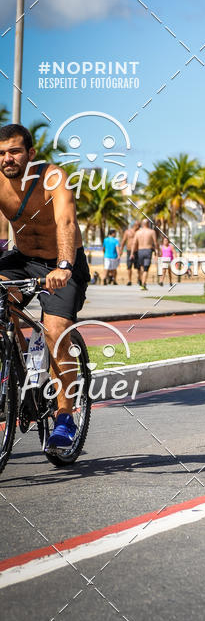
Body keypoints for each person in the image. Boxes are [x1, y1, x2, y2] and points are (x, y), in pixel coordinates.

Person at [0, 124, 91, 450]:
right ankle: (19, 360)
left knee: (55, 331)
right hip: (23, 259)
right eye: (1, 153)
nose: (7, 158)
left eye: (14, 151)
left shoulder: (53, 178)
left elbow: (66, 222)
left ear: (30, 154)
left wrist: (64, 266)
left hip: (61, 264)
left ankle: (65, 415)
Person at [132, 219, 159, 290]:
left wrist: (132, 253)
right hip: (148, 250)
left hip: (140, 251)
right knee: (146, 268)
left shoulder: (138, 232)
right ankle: (143, 284)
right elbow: (155, 243)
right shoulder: (152, 232)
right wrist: (156, 252)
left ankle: (141, 280)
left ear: (142, 224)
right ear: (148, 224)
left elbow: (134, 243)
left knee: (141, 267)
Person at [120, 220, 140, 286]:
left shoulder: (139, 232)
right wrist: (121, 250)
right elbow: (123, 241)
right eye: (138, 225)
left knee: (138, 267)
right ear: (135, 225)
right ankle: (129, 280)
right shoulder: (127, 232)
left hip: (137, 251)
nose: (139, 226)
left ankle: (139, 279)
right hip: (129, 250)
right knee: (129, 266)